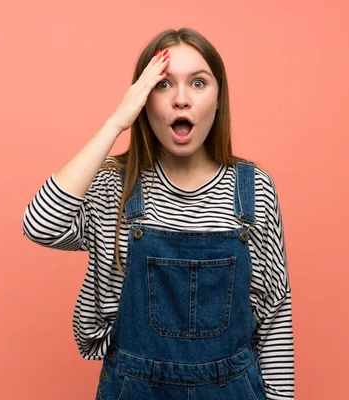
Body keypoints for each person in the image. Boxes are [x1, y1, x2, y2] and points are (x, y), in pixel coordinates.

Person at [22, 27, 294, 399]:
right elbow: (39, 225)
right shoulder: (112, 186)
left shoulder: (254, 188)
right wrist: (116, 122)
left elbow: (275, 317)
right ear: (142, 100)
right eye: (163, 85)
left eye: (198, 83)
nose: (181, 99)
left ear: (218, 99)